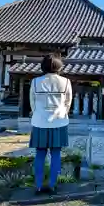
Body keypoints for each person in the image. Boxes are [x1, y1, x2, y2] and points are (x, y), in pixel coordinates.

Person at [29, 53, 72, 194]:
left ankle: (38, 185)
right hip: (59, 122)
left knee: (40, 154)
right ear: (59, 66)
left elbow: (33, 103)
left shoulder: (35, 82)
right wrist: (61, 112)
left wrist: (40, 113)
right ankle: (52, 184)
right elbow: (67, 103)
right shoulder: (66, 82)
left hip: (40, 121)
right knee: (56, 154)